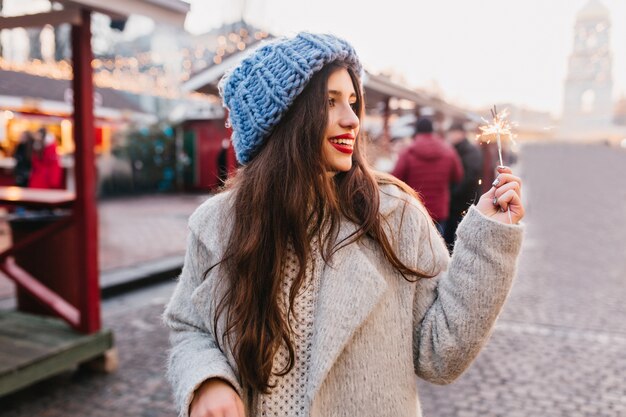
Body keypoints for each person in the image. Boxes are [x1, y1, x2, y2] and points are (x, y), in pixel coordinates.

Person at [163, 32, 525, 417]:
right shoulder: (217, 224)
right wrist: (207, 381)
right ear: (284, 121)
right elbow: (189, 327)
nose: (352, 120)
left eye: (353, 102)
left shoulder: (395, 216)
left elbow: (440, 354)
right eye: (330, 102)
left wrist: (487, 239)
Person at [391, 117, 463, 235]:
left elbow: (395, 178)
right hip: (439, 211)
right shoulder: (448, 151)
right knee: (437, 247)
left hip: (414, 208)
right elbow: (458, 176)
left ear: (416, 131)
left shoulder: (408, 152)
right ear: (432, 130)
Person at [444, 122, 483, 251]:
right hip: (455, 203)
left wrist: (452, 192)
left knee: (462, 239)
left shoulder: (469, 151)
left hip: (465, 202)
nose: (449, 136)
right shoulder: (455, 150)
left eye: (451, 133)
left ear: (460, 133)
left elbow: (470, 178)